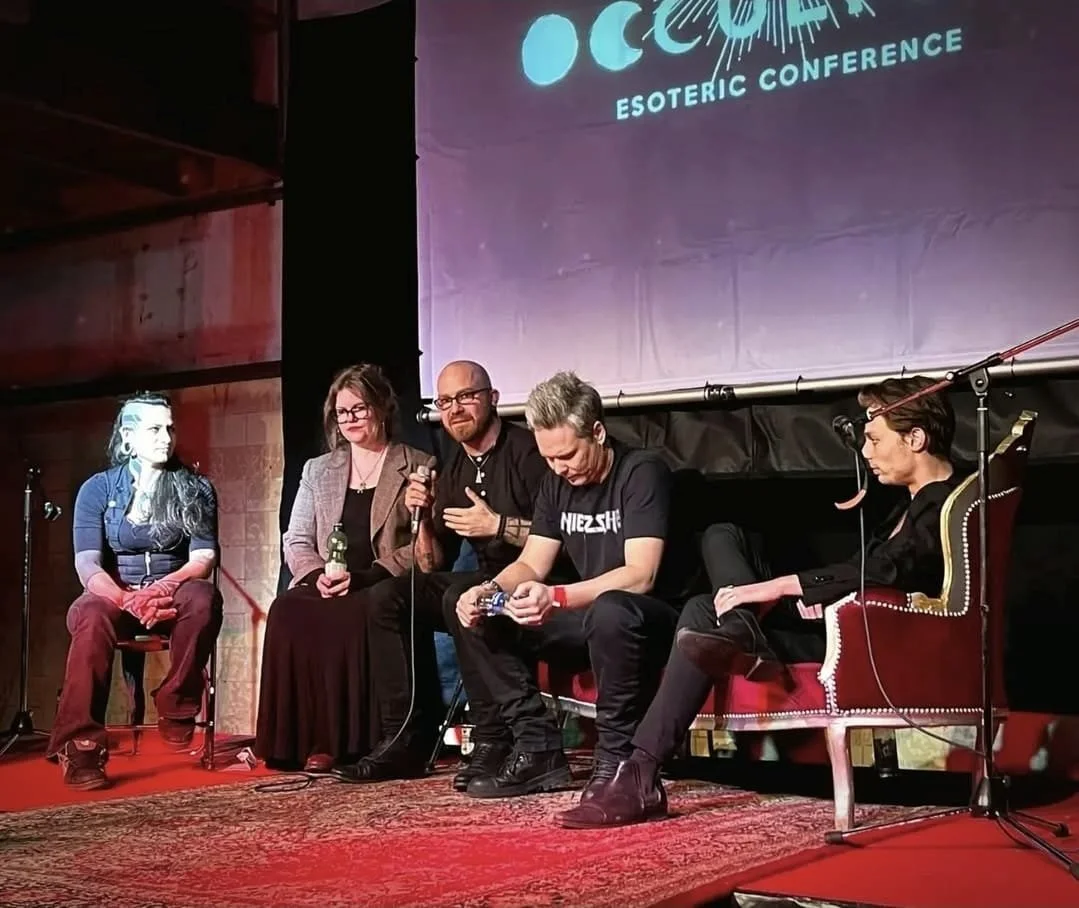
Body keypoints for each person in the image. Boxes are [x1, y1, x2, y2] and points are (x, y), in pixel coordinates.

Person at [562, 375, 964, 828]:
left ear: (915, 438)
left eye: (874, 439)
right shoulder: (907, 506)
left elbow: (886, 571)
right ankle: (735, 634)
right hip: (837, 617)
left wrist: (779, 588)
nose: (866, 452)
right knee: (719, 546)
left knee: (703, 611)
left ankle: (641, 770)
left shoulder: (946, 506)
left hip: (865, 638)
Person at [447, 371, 689, 802]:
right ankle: (537, 747)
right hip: (588, 615)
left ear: (597, 432)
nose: (559, 468)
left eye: (568, 455)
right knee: (476, 611)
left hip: (648, 619)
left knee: (611, 609)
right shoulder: (556, 482)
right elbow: (532, 563)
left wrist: (556, 597)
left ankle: (615, 760)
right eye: (549, 458)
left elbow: (641, 574)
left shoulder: (641, 471)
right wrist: (488, 590)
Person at [333, 360, 564, 785]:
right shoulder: (453, 467)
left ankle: (492, 737)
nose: (455, 409)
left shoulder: (529, 453)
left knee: (461, 595)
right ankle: (405, 737)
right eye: (444, 401)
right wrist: (420, 516)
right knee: (389, 596)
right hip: (486, 581)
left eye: (465, 397)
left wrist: (497, 525)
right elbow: (430, 564)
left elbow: (562, 535)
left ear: (492, 398)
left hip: (542, 581)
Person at [255, 364, 435, 772]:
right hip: (326, 578)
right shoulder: (318, 470)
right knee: (286, 609)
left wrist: (367, 576)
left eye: (359, 408)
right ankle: (295, 741)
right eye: (342, 412)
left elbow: (421, 550)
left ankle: (344, 743)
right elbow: (296, 539)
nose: (350, 419)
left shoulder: (418, 465)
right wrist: (316, 575)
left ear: (382, 407)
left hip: (378, 582)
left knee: (359, 612)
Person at [48, 392, 222, 790]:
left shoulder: (196, 488)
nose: (166, 437)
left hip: (172, 591)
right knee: (90, 613)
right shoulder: (97, 489)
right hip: (116, 595)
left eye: (170, 428)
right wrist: (127, 599)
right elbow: (87, 565)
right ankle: (81, 743)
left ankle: (176, 702)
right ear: (128, 436)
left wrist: (162, 587)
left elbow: (203, 557)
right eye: (154, 429)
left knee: (203, 598)